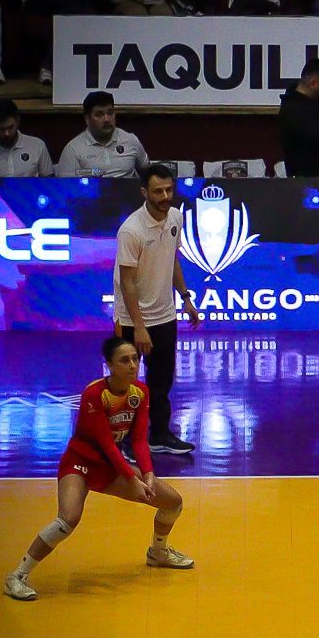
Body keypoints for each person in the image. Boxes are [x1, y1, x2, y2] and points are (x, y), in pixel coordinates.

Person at [3, 335, 194, 602]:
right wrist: (133, 479)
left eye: (135, 359)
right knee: (67, 520)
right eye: (124, 360)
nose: (132, 365)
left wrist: (148, 475)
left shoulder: (140, 392)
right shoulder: (94, 394)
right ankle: (17, 576)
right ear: (110, 366)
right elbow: (106, 443)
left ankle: (158, 552)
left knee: (173, 503)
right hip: (80, 464)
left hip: (110, 468)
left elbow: (139, 439)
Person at [113, 163, 200, 455]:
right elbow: (127, 282)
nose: (165, 196)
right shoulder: (131, 230)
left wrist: (185, 298)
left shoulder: (175, 217)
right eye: (158, 191)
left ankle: (159, 435)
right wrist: (139, 327)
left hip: (165, 314)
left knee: (162, 380)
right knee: (126, 380)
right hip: (132, 319)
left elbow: (172, 259)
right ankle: (124, 442)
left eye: (168, 190)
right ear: (144, 192)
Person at [57, 91, 149, 178]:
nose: (106, 119)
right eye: (99, 115)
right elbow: (65, 186)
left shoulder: (130, 140)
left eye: (110, 113)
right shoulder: (73, 149)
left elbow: (148, 172)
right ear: (88, 119)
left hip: (128, 189)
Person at [0, 98, 54, 177]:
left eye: (10, 127)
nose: (7, 133)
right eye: (1, 129)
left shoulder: (37, 146)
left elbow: (50, 182)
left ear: (17, 121)